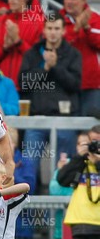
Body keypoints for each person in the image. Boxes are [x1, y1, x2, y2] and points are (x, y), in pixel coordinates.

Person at [20, 15, 82, 180]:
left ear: (63, 31)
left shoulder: (73, 54)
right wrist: (45, 68)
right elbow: (24, 83)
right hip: (36, 118)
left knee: (63, 169)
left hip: (64, 120)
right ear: (44, 30)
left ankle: (63, 206)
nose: (53, 32)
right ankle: (26, 205)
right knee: (29, 167)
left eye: (56, 29)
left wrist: (56, 67)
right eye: (50, 28)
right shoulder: (32, 53)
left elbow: (75, 84)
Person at [60, 0, 100, 118]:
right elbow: (58, 46)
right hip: (64, 84)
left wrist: (87, 28)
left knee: (91, 127)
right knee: (66, 128)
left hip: (91, 83)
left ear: (84, 0)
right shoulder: (57, 20)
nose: (69, 2)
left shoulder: (95, 19)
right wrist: (77, 29)